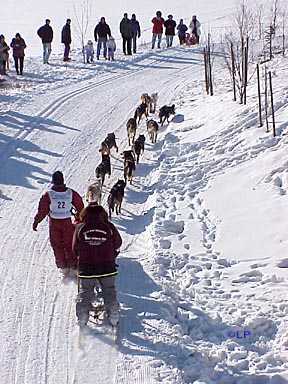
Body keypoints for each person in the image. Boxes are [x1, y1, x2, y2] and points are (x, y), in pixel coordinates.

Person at [73, 204, 122, 326]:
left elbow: (74, 249)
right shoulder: (109, 227)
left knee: (85, 291)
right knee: (109, 290)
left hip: (86, 268)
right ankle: (113, 313)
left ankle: (83, 316)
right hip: (107, 267)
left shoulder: (80, 228)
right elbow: (118, 243)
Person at [33, 171, 84, 275]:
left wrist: (36, 221)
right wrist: (80, 216)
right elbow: (80, 205)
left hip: (54, 223)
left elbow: (43, 210)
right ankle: (73, 266)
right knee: (70, 243)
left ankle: (63, 266)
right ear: (63, 181)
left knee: (57, 245)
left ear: (53, 182)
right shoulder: (70, 193)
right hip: (67, 222)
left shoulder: (49, 195)